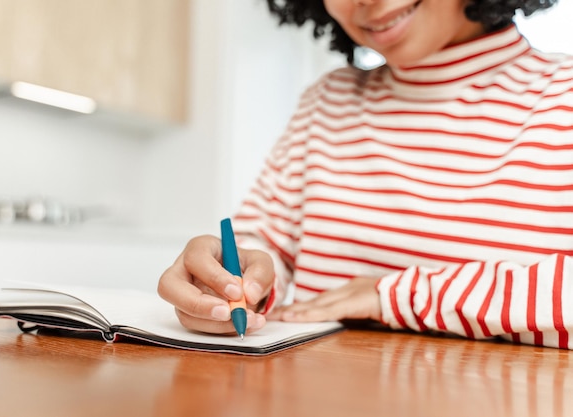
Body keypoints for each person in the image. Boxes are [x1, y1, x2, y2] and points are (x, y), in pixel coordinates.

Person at [158, 0, 573, 350]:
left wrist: (392, 296)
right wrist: (232, 281)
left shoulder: (564, 96)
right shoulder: (327, 103)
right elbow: (265, 247)